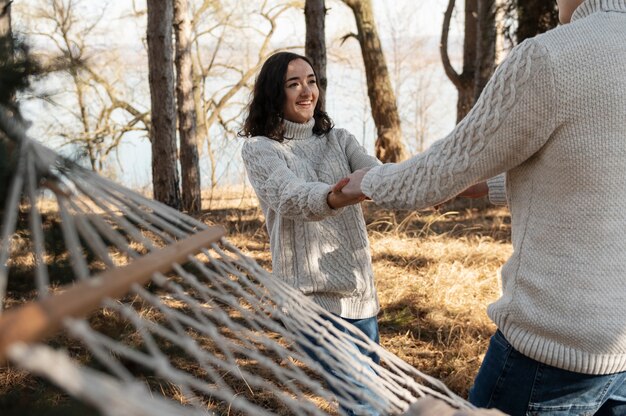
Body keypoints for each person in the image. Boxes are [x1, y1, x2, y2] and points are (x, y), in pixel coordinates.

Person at [338, 0, 626, 414]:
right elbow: (597, 170)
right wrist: (493, 183)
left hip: (551, 356)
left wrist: (372, 181)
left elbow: (443, 169)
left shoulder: (549, 57)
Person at [239, 51, 382, 415]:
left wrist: (435, 183)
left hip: (360, 292)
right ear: (275, 93)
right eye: (293, 84)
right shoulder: (261, 149)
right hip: (312, 301)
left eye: (311, 81)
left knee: (372, 401)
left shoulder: (341, 140)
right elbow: (290, 197)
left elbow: (382, 176)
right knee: (364, 404)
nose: (307, 91)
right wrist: (335, 195)